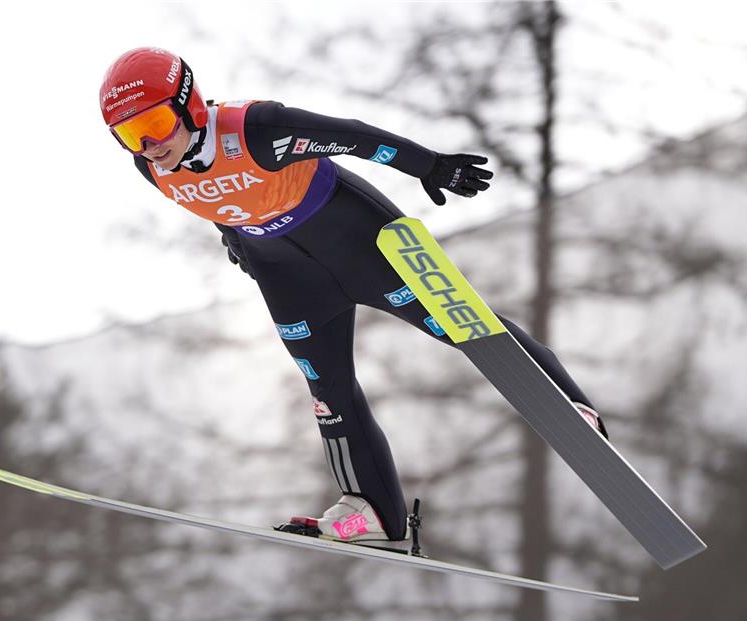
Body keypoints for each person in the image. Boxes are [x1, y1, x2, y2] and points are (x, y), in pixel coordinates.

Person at [99, 47, 606, 545]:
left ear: (188, 103)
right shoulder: (151, 167)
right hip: (289, 277)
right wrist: (234, 238)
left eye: (153, 126)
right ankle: (373, 510)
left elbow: (353, 138)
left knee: (460, 323)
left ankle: (565, 404)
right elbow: (216, 197)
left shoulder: (256, 129)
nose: (146, 146)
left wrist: (429, 165)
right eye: (127, 135)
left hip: (356, 241)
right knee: (327, 393)